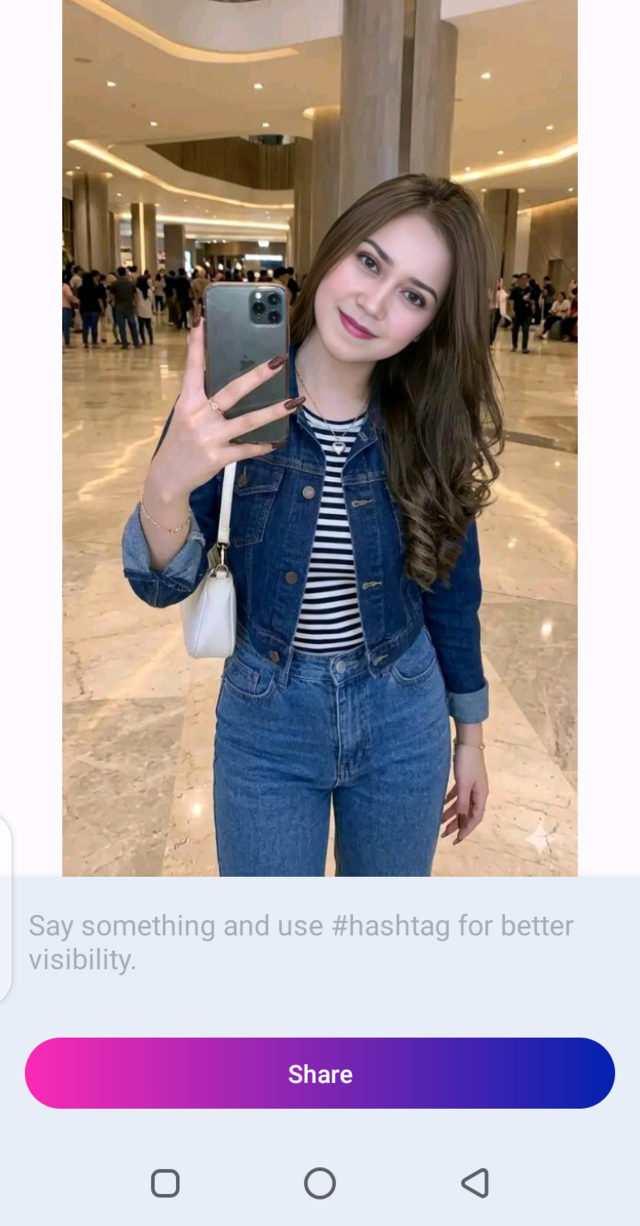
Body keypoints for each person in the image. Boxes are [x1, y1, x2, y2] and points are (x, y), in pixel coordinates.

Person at [123, 173, 502, 878]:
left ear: (431, 322)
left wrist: (471, 737)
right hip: (265, 720)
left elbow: (453, 592)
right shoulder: (230, 404)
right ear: (335, 250)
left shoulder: (428, 426)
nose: (374, 303)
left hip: (402, 716)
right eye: (370, 262)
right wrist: (165, 485)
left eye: (414, 296)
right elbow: (160, 586)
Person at [110, 266, 141, 348]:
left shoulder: (115, 283)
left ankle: (124, 343)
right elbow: (135, 295)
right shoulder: (131, 283)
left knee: (121, 326)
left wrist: (113, 303)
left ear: (118, 273)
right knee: (133, 325)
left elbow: (111, 296)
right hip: (129, 306)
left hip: (119, 307)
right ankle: (136, 343)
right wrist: (136, 305)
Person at [508, 273, 533, 353]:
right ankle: (514, 345)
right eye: (523, 278)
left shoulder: (530, 290)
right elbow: (511, 300)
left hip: (527, 313)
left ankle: (524, 347)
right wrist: (512, 310)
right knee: (515, 329)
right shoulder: (515, 290)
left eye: (526, 279)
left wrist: (533, 309)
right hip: (517, 312)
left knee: (526, 330)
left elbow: (533, 301)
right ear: (519, 280)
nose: (524, 280)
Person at [78, 271, 102, 348]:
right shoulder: (95, 288)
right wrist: (102, 309)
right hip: (95, 309)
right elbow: (99, 300)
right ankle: (94, 342)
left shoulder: (80, 289)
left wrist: (79, 309)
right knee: (94, 326)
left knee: (85, 325)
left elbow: (79, 300)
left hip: (84, 309)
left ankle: (86, 343)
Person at [135, 274, 154, 344]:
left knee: (141, 326)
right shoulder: (149, 290)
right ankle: (151, 340)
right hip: (148, 309)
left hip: (140, 309)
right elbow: (152, 300)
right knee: (149, 326)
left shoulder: (137, 290)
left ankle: (143, 340)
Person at [62, 272, 79, 347]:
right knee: (65, 327)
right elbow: (70, 297)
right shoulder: (65, 286)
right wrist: (77, 301)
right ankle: (67, 342)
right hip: (65, 308)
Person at [95, 273, 109, 343]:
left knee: (100, 323)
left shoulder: (100, 286)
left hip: (95, 306)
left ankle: (100, 337)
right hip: (98, 306)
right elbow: (103, 297)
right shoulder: (100, 286)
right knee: (102, 322)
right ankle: (102, 337)